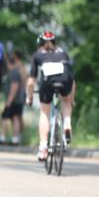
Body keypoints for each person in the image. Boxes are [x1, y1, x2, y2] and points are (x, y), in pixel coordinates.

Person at [26, 31, 76, 161]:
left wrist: (30, 97)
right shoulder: (63, 53)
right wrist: (71, 99)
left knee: (44, 112)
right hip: (65, 80)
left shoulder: (37, 55)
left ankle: (43, 148)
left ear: (39, 44)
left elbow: (31, 81)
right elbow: (72, 80)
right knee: (65, 102)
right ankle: (67, 124)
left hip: (48, 81)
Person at [0, 48, 27, 145]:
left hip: (15, 99)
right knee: (16, 117)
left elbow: (15, 86)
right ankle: (16, 138)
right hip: (19, 98)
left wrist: (9, 101)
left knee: (6, 117)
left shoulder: (15, 71)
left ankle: (3, 137)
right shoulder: (18, 70)